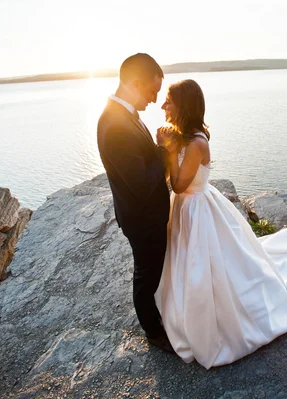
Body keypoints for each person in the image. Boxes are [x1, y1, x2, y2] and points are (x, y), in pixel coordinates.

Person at [154, 79, 287, 369]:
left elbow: (178, 184)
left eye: (169, 101)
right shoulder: (182, 136)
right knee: (191, 261)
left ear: (183, 105)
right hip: (187, 208)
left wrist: (168, 150)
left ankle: (213, 314)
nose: (163, 106)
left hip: (196, 208)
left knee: (207, 263)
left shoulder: (197, 142)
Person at [97, 53, 174, 353]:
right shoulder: (115, 124)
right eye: (152, 91)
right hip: (142, 219)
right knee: (146, 274)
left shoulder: (123, 114)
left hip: (145, 215)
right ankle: (153, 331)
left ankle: (159, 316)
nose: (155, 100)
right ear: (135, 83)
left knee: (152, 269)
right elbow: (141, 184)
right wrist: (163, 151)